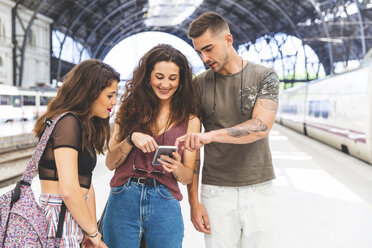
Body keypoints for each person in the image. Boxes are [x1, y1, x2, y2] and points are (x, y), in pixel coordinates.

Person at [176, 12, 280, 248]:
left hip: (259, 188)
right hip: (215, 191)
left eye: (209, 49)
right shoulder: (198, 85)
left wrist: (210, 135)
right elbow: (192, 148)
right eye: (199, 52)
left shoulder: (265, 76)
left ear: (228, 40)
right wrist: (194, 202)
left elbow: (261, 126)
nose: (204, 58)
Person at [102, 44, 200, 248]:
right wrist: (131, 139)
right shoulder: (128, 110)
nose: (165, 84)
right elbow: (110, 163)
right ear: (148, 77)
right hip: (123, 198)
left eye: (173, 78)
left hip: (165, 199)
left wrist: (176, 167)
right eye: (159, 77)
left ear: (181, 81)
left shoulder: (191, 119)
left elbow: (187, 176)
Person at [33, 59, 120, 248]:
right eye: (110, 95)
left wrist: (90, 229)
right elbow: (69, 190)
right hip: (60, 218)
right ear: (90, 93)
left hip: (74, 216)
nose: (114, 101)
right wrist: (94, 233)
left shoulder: (82, 126)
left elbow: (86, 184)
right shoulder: (68, 123)